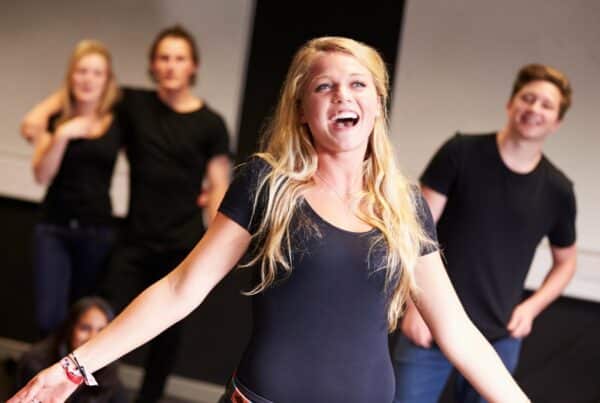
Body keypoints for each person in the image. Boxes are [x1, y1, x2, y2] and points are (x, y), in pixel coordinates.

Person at [9, 37, 530, 403]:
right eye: (325, 87)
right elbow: (179, 290)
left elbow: (457, 333)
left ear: (377, 102)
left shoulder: (405, 205)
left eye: (358, 84)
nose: (343, 96)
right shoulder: (267, 184)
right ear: (301, 107)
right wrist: (74, 366)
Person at [20, 25, 231, 403]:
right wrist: (50, 125)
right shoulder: (134, 105)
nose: (170, 66)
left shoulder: (211, 124)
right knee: (98, 320)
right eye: (163, 58)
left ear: (193, 66)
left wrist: (215, 245)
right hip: (133, 240)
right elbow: (74, 95)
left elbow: (218, 185)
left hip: (182, 243)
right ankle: (79, 395)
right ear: (153, 65)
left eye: (179, 58)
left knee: (167, 338)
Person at [393, 64, 577, 403]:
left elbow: (566, 262)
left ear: (557, 122)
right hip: (431, 322)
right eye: (528, 98)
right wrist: (414, 306)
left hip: (499, 336)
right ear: (511, 103)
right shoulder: (460, 152)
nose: (534, 109)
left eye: (546, 105)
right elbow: (414, 230)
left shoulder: (558, 190)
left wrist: (531, 308)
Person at [26, 39, 121, 337]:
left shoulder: (118, 121)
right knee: (49, 318)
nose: (88, 79)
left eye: (96, 73)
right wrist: (62, 136)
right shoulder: (55, 121)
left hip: (97, 231)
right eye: (81, 71)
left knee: (84, 319)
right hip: (54, 227)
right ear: (71, 76)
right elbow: (42, 175)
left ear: (107, 80)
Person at [16, 297, 127, 403]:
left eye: (101, 331)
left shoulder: (112, 378)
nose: (93, 338)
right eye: (85, 328)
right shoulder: (36, 364)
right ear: (70, 329)